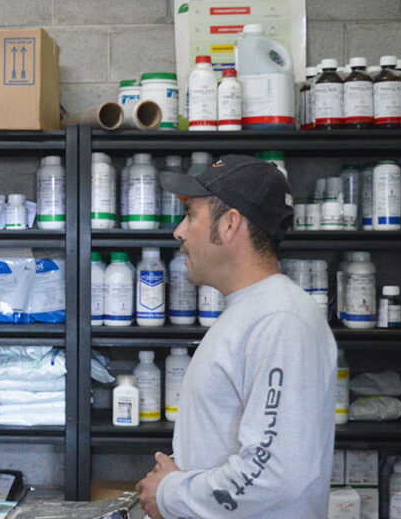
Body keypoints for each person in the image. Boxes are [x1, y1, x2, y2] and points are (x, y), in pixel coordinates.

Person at [136, 155, 337, 519]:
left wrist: (171, 493)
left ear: (230, 224)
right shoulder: (253, 313)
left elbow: (275, 473)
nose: (179, 232)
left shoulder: (281, 321)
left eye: (191, 216)